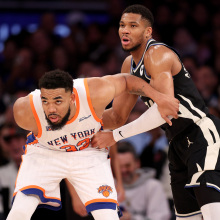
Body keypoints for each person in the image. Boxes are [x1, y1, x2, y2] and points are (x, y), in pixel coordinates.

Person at [91, 4, 220, 220]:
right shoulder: (128, 65)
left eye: (133, 25)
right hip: (176, 144)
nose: (125, 30)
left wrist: (114, 136)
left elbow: (165, 111)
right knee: (187, 217)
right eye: (122, 25)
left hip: (200, 134)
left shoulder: (157, 54)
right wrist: (77, 120)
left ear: (148, 31)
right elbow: (117, 116)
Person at [6, 69, 179, 220]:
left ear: (73, 97)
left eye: (58, 101)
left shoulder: (94, 92)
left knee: (108, 216)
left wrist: (159, 97)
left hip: (87, 153)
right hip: (47, 152)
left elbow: (127, 80)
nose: (51, 109)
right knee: (19, 212)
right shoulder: (24, 111)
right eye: (46, 101)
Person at [117, 141, 171, 220]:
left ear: (137, 163)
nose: (123, 170)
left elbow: (161, 218)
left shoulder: (153, 186)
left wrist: (131, 218)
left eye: (127, 165)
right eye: (119, 166)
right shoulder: (110, 187)